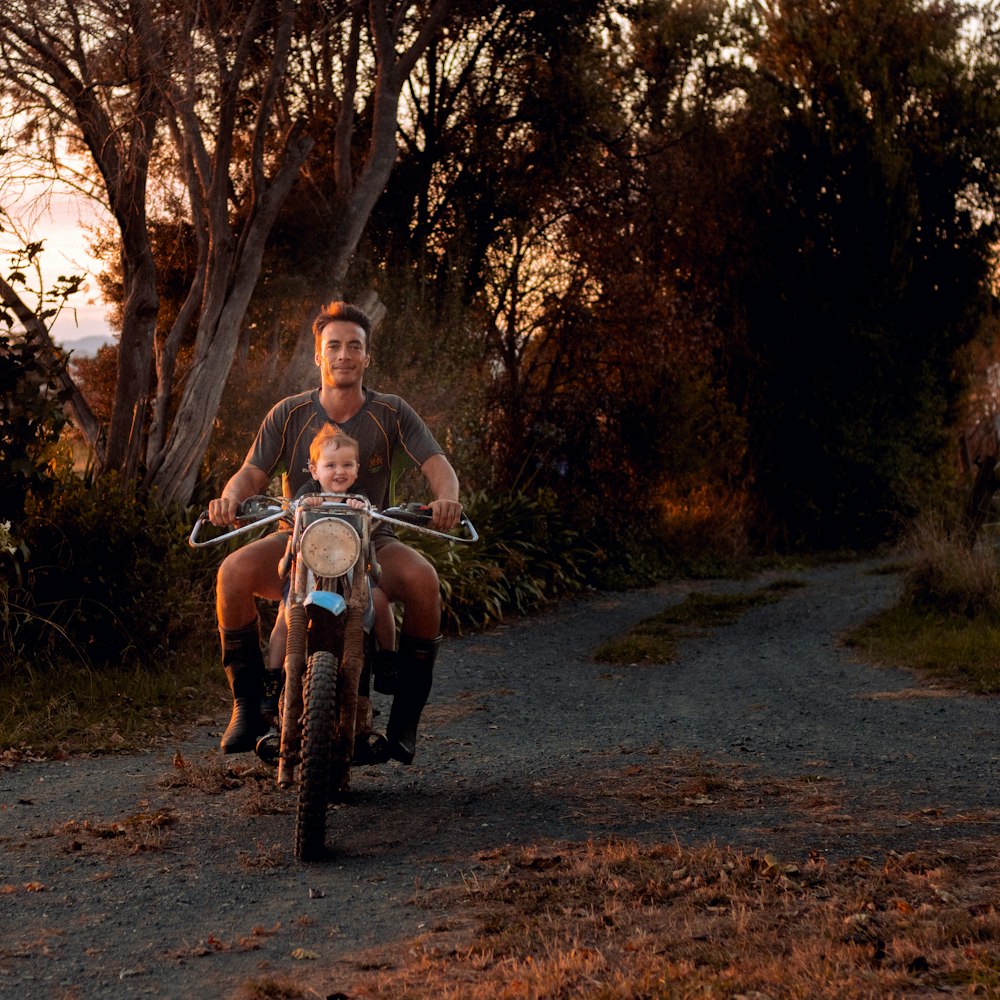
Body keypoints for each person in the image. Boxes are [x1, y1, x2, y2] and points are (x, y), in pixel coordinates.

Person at [207, 300, 463, 763]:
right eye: (334, 346)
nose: (344, 354)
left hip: (373, 538)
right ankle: (248, 707)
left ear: (367, 356)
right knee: (231, 574)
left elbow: (437, 464)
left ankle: (405, 718)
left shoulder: (392, 412)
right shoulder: (288, 412)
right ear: (318, 355)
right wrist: (230, 498)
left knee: (425, 581)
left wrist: (448, 499)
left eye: (354, 346)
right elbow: (251, 471)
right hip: (297, 537)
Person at [266, 424, 395, 676]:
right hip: (309, 570)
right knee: (285, 618)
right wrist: (304, 503)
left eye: (347, 465)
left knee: (380, 600)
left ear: (357, 470)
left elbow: (371, 511)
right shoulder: (307, 494)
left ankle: (387, 659)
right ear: (314, 471)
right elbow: (295, 507)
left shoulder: (360, 497)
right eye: (331, 465)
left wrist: (361, 506)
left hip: (350, 569)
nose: (340, 471)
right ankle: (271, 676)